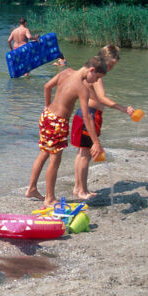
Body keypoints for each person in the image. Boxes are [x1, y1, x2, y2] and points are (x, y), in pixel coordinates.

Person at [25, 56, 107, 207]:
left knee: (44, 153)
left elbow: (47, 87)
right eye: (97, 77)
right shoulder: (82, 88)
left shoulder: (66, 72)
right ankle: (49, 198)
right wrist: (96, 142)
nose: (95, 81)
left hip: (47, 116)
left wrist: (47, 105)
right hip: (58, 122)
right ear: (92, 70)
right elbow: (87, 118)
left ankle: (32, 188)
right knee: (55, 160)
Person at [71, 45, 134, 200]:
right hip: (90, 115)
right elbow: (102, 98)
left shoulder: (87, 70)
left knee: (81, 153)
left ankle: (78, 188)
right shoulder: (96, 76)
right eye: (110, 64)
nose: (111, 68)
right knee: (85, 154)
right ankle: (83, 191)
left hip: (81, 114)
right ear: (103, 60)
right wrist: (123, 109)